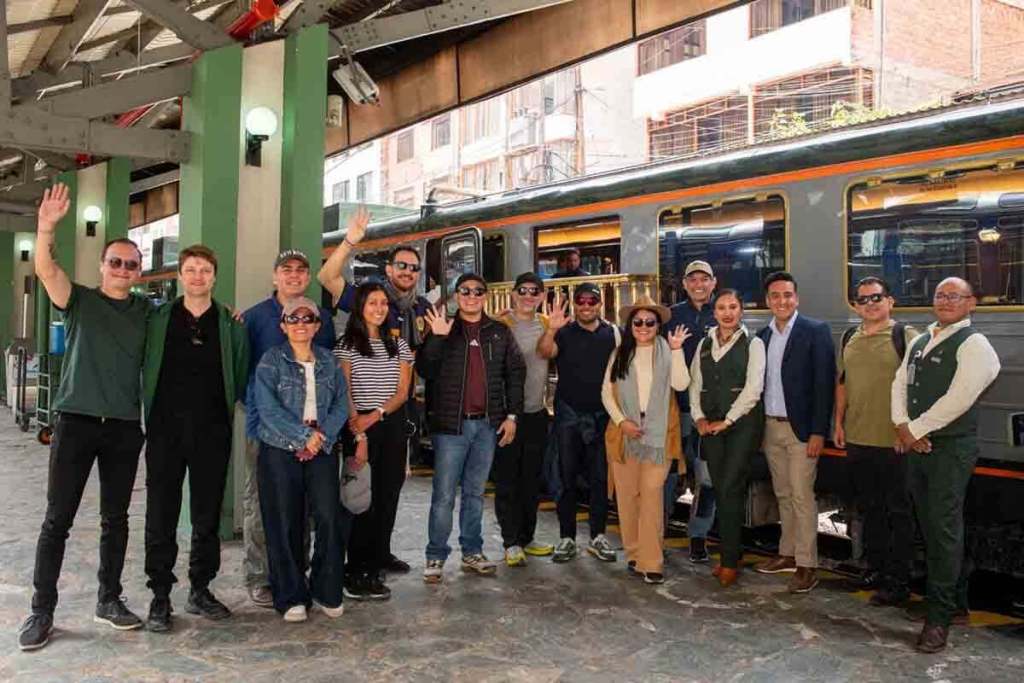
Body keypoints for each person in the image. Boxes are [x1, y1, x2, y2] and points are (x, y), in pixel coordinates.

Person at [19, 183, 150, 651]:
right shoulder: (79, 300)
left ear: (139, 273)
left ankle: (109, 599)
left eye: (130, 264)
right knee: (58, 518)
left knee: (116, 518)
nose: (121, 269)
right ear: (102, 267)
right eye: (114, 262)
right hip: (75, 421)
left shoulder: (146, 312)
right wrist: (45, 227)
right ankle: (41, 611)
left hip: (121, 427)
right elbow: (46, 269)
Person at [140, 245, 250, 632]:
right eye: (191, 269)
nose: (198, 276)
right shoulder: (157, 320)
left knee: (207, 515)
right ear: (180, 276)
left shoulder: (230, 325)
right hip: (164, 431)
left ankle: (200, 588)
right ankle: (160, 595)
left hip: (213, 431)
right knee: (161, 513)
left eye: (205, 269)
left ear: (214, 276)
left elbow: (238, 374)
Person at [891, 277, 1000, 653]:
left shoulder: (975, 345)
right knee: (934, 527)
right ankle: (954, 604)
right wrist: (903, 426)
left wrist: (913, 429)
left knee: (942, 530)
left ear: (972, 303)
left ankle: (937, 621)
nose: (946, 300)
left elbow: (960, 398)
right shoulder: (921, 340)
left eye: (955, 296)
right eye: (940, 295)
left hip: (950, 450)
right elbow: (899, 382)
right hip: (919, 446)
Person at [319, 213, 432, 570]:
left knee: (390, 489)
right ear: (389, 269)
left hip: (399, 411)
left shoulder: (422, 308)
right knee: (361, 491)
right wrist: (351, 240)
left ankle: (380, 553)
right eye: (401, 265)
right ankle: (358, 563)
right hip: (364, 420)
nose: (407, 272)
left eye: (413, 268)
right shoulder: (368, 298)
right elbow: (327, 277)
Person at [241, 249, 335, 607]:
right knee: (261, 504)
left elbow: (326, 371)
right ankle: (260, 575)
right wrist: (261, 411)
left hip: (314, 434)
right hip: (265, 429)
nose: (293, 276)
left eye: (300, 270)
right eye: (286, 270)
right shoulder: (252, 318)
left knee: (305, 506)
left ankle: (297, 573)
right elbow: (240, 372)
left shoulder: (320, 317)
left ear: (308, 277)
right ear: (274, 276)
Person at [417, 273, 525, 583]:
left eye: (478, 291)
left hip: (487, 426)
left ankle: (471, 552)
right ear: (456, 295)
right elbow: (425, 370)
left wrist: (512, 417)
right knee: (444, 495)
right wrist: (435, 337)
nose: (471, 296)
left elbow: (515, 374)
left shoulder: (499, 333)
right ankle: (435, 556)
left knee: (476, 493)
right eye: (465, 291)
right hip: (451, 426)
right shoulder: (444, 329)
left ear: (486, 296)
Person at [254, 298, 349, 622]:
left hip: (321, 447)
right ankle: (291, 595)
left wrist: (320, 438)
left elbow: (340, 405)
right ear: (283, 325)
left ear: (317, 325)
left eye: (308, 318)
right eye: (293, 318)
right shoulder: (271, 361)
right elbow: (267, 409)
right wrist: (301, 436)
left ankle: (326, 588)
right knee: (284, 522)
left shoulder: (329, 361)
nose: (301, 323)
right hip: (279, 449)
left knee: (329, 517)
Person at [833, 276, 917, 606]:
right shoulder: (849, 338)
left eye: (876, 298)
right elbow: (843, 384)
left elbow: (918, 387)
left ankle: (899, 580)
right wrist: (838, 423)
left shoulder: (905, 336)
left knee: (899, 513)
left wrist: (907, 429)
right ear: (855, 305)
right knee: (871, 510)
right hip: (858, 437)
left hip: (893, 441)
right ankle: (877, 569)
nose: (870, 304)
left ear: (890, 301)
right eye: (863, 300)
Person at [755, 271, 835, 594]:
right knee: (784, 494)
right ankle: (787, 554)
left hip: (802, 431)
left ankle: (807, 565)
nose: (782, 301)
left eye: (787, 295)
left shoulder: (815, 331)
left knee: (802, 496)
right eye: (775, 296)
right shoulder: (762, 336)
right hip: (771, 427)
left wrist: (819, 431)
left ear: (796, 298)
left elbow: (824, 384)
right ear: (768, 301)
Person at [334, 282, 414, 601]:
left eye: (383, 303)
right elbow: (346, 391)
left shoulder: (400, 346)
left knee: (386, 496)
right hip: (360, 427)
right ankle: (355, 571)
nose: (379, 308)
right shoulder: (346, 345)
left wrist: (378, 414)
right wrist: (360, 432)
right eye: (372, 303)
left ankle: (377, 560)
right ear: (360, 307)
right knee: (360, 500)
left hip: (389, 423)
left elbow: (402, 392)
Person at [602, 295, 690, 584]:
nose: (643, 326)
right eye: (637, 322)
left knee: (651, 496)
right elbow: (607, 393)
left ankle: (651, 563)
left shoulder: (667, 350)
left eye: (649, 322)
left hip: (659, 435)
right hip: (624, 434)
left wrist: (677, 351)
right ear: (630, 325)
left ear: (657, 325)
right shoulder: (620, 353)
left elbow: (681, 384)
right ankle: (633, 554)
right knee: (628, 498)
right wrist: (622, 422)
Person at [539, 282, 620, 563]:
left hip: (602, 417)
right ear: (575, 304)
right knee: (566, 478)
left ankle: (598, 536)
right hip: (569, 415)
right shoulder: (563, 332)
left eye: (592, 301)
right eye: (581, 301)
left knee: (600, 479)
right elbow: (545, 353)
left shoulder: (613, 333)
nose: (586, 306)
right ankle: (567, 538)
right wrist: (551, 328)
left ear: (600, 304)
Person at [689, 289, 765, 587]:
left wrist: (728, 420)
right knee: (721, 489)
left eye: (733, 306)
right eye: (721, 307)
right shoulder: (704, 344)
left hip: (742, 426)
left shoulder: (754, 344)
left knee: (731, 485)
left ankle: (730, 560)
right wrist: (698, 417)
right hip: (710, 427)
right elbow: (696, 384)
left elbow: (753, 389)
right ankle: (732, 554)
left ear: (741, 310)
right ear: (714, 312)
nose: (727, 312)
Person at [494, 273, 556, 566]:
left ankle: (527, 538)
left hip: (536, 412)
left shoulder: (545, 323)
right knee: (508, 479)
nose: (529, 295)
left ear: (542, 296)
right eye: (523, 290)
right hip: (508, 415)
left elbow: (548, 353)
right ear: (513, 293)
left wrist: (553, 329)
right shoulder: (501, 324)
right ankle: (510, 542)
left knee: (531, 479)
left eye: (535, 291)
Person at [663, 260, 718, 563]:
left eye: (704, 279)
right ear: (684, 284)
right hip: (675, 411)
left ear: (714, 282)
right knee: (668, 476)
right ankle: (658, 529)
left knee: (707, 480)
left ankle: (698, 536)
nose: (699, 284)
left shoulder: (724, 314)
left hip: (707, 416)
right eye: (692, 279)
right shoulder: (671, 316)